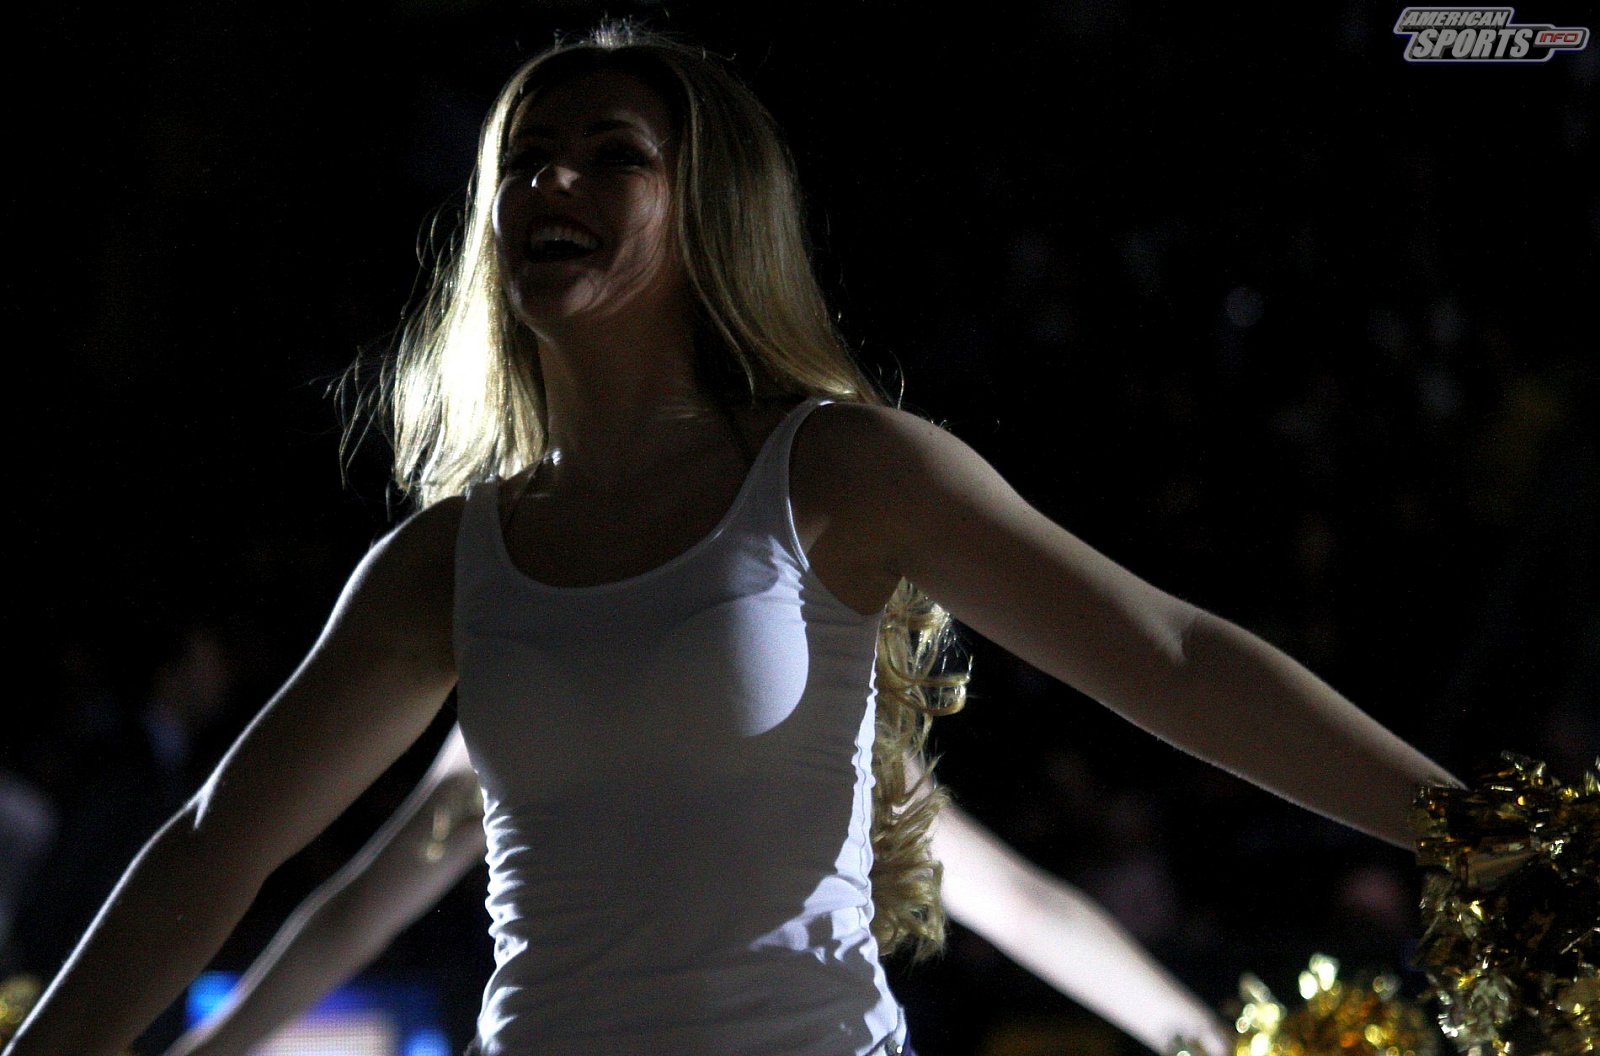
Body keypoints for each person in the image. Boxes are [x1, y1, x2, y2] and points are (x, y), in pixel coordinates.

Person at [4, 24, 1460, 1056]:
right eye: (527, 159)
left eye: (610, 156)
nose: (549, 184)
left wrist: (1486, 836)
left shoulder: (839, 472)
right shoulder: (442, 565)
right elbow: (219, 849)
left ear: (705, 215)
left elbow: (1172, 658)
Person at [158, 727, 1234, 1056]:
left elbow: (1015, 900)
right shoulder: (525, 667)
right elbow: (360, 907)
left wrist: (1214, 1044)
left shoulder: (812, 677)